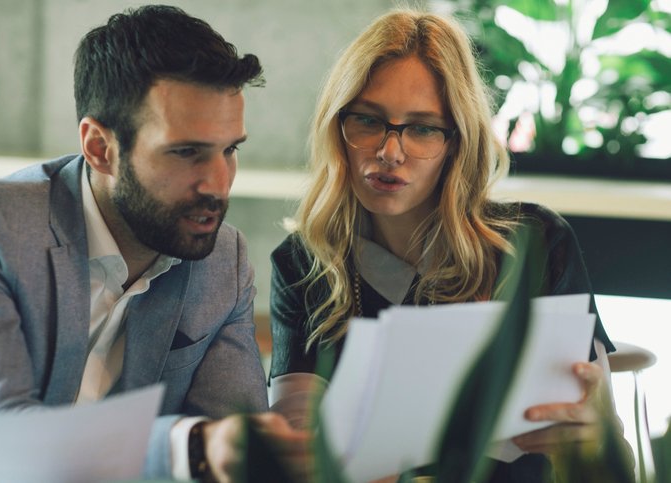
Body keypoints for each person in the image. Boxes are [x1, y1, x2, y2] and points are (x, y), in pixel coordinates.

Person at [0, 5, 309, 482]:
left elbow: (235, 442)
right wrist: (189, 448)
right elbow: (4, 440)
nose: (219, 185)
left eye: (230, 149)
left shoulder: (223, 258)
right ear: (100, 148)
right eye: (186, 152)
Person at [269, 7, 630, 482]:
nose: (389, 152)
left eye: (421, 128)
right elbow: (292, 451)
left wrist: (595, 433)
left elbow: (615, 463)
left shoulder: (534, 242)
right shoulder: (305, 262)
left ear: (458, 141)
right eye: (368, 121)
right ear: (337, 126)